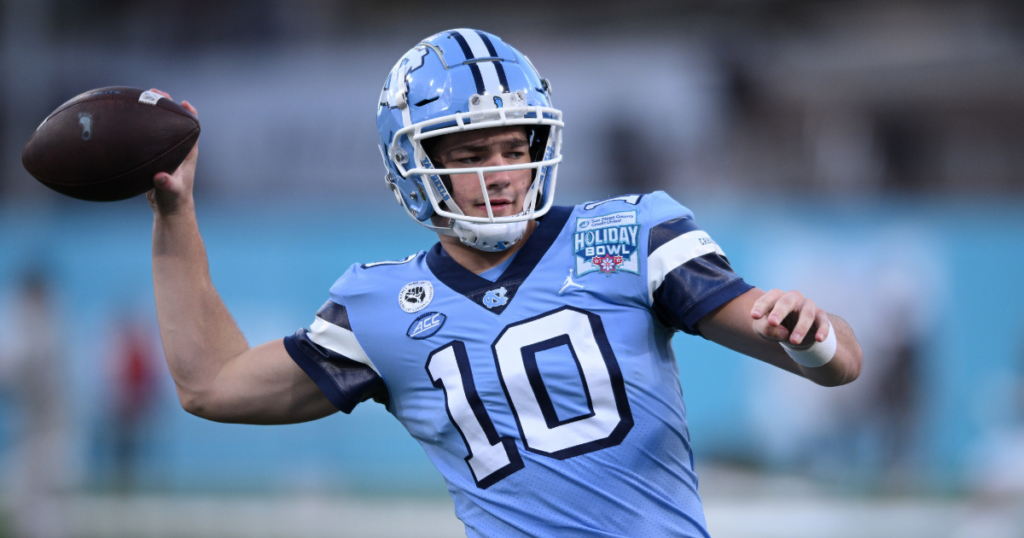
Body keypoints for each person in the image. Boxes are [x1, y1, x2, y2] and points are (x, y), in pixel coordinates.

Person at [147, 29, 862, 538]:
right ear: (414, 164)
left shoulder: (630, 235)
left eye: (512, 147)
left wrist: (810, 334)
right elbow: (211, 384)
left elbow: (839, 365)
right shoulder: (380, 308)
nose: (498, 173)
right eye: (468, 152)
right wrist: (176, 213)